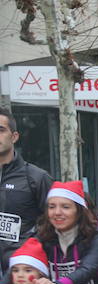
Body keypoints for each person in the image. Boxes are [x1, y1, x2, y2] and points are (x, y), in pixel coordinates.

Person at [0, 107, 52, 272]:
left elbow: (54, 223)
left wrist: (29, 249)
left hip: (21, 274)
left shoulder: (37, 178)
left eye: (1, 130)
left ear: (14, 136)